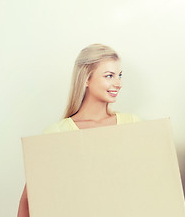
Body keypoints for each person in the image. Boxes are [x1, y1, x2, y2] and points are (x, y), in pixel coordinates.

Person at [17, 43, 140, 217]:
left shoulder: (132, 123)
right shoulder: (57, 133)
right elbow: (29, 201)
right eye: (109, 76)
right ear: (86, 79)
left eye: (119, 75)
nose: (118, 83)